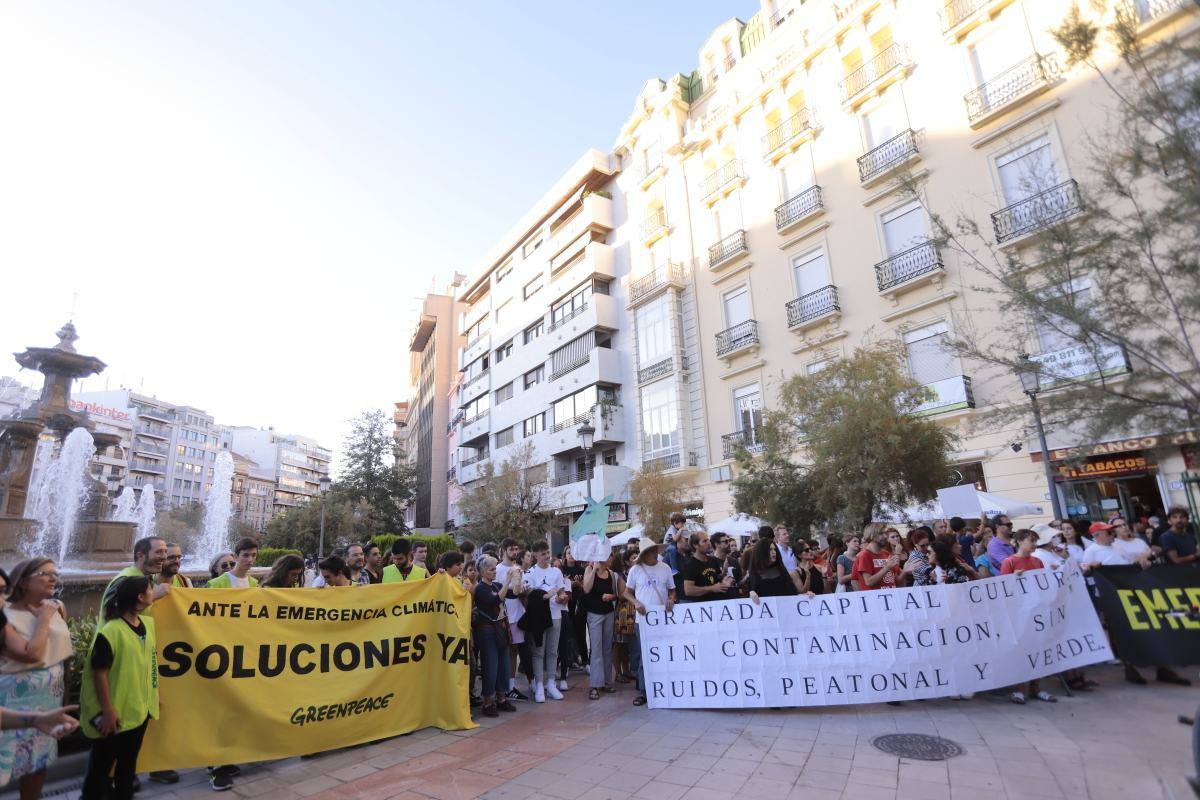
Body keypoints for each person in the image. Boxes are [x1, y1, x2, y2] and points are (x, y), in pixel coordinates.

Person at [1080, 524, 1191, 686]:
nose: (1113, 535)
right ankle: (1130, 668)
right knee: (1123, 632)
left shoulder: (1117, 546)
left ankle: (1162, 667)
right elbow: (1085, 573)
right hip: (1112, 597)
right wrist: (1091, 568)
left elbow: (1130, 563)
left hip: (1132, 592)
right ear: (1098, 536)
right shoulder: (1091, 552)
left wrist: (1142, 561)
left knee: (1150, 626)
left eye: (1112, 532)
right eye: (1109, 532)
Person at [80, 576, 159, 800]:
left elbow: (147, 664)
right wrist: (107, 710)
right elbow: (100, 672)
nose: (154, 593)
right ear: (140, 597)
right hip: (114, 716)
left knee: (128, 766)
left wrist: (152, 695)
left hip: (138, 712)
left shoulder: (147, 625)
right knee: (100, 769)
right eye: (150, 590)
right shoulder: (111, 631)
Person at [0, 559, 71, 800]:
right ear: (23, 581)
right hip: (14, 699)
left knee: (39, 759)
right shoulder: (5, 616)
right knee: (6, 758)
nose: (54, 579)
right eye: (45, 574)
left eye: (55, 574)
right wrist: (43, 619)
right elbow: (31, 655)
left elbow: (61, 653)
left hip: (50, 696)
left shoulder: (57, 606)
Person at [623, 537, 676, 707]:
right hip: (643, 620)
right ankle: (644, 691)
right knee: (644, 656)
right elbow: (626, 592)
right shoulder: (636, 570)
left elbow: (672, 590)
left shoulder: (665, 568)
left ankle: (665, 687)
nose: (655, 554)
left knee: (664, 653)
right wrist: (636, 603)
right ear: (644, 554)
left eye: (655, 550)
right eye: (651, 551)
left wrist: (671, 599)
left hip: (662, 618)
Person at [523, 542, 570, 703]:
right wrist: (549, 593)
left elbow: (562, 592)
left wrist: (561, 597)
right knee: (538, 652)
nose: (547, 556)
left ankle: (551, 683)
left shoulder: (556, 571)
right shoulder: (530, 572)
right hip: (538, 618)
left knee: (552, 651)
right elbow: (529, 594)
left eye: (548, 552)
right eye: (543, 553)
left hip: (555, 615)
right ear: (535, 555)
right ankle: (539, 685)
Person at [472, 557, 518, 717]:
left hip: (501, 628)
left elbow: (513, 593)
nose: (494, 571)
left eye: (494, 568)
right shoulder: (480, 589)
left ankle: (502, 697)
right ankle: (488, 701)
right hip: (486, 631)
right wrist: (507, 581)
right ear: (483, 571)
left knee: (503, 664)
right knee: (491, 665)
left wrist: (518, 579)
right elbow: (496, 599)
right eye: (491, 569)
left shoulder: (496, 585)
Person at [581, 558, 623, 700]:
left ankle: (606, 681)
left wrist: (611, 596)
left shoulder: (611, 574)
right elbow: (586, 589)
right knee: (596, 649)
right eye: (608, 556)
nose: (610, 558)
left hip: (608, 613)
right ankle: (594, 685)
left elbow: (618, 594)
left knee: (607, 648)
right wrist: (593, 569)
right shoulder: (589, 569)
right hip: (594, 614)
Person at [494, 539, 531, 702]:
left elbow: (519, 589)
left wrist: (523, 590)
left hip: (517, 612)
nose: (515, 552)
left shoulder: (519, 569)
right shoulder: (497, 569)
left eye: (516, 549)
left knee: (514, 650)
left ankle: (510, 685)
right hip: (503, 613)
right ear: (504, 550)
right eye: (511, 549)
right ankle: (500, 686)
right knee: (502, 650)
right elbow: (496, 590)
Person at [681, 531, 736, 602]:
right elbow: (688, 590)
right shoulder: (690, 564)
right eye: (704, 541)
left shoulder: (713, 560)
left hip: (717, 604)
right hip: (702, 607)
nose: (709, 543)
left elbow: (716, 579)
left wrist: (724, 575)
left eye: (708, 540)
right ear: (695, 545)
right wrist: (711, 588)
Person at [611, 550, 637, 684]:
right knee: (619, 644)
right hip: (624, 612)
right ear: (627, 562)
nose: (637, 559)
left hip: (635, 612)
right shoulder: (623, 576)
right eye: (634, 557)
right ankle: (618, 673)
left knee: (628, 645)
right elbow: (621, 595)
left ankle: (627, 671)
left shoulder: (641, 573)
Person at [851, 524, 901, 590]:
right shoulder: (865, 555)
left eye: (885, 533)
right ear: (872, 536)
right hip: (875, 598)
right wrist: (886, 568)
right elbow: (868, 582)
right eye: (881, 533)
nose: (885, 536)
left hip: (890, 596)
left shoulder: (885, 553)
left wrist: (905, 570)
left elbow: (895, 578)